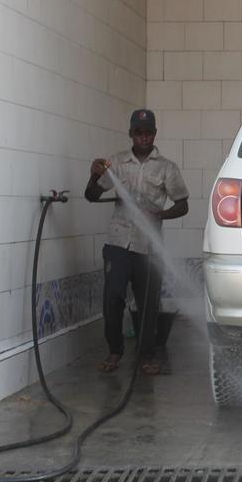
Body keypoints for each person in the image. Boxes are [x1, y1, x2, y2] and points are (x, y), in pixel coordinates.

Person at [86, 109, 189, 375]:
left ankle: (147, 355)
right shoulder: (116, 163)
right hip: (118, 242)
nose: (144, 137)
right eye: (138, 132)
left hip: (149, 245)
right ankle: (115, 350)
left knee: (148, 303)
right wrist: (94, 174)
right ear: (131, 133)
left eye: (148, 133)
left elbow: (183, 205)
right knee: (113, 297)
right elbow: (91, 196)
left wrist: (160, 215)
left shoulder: (167, 167)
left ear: (155, 134)